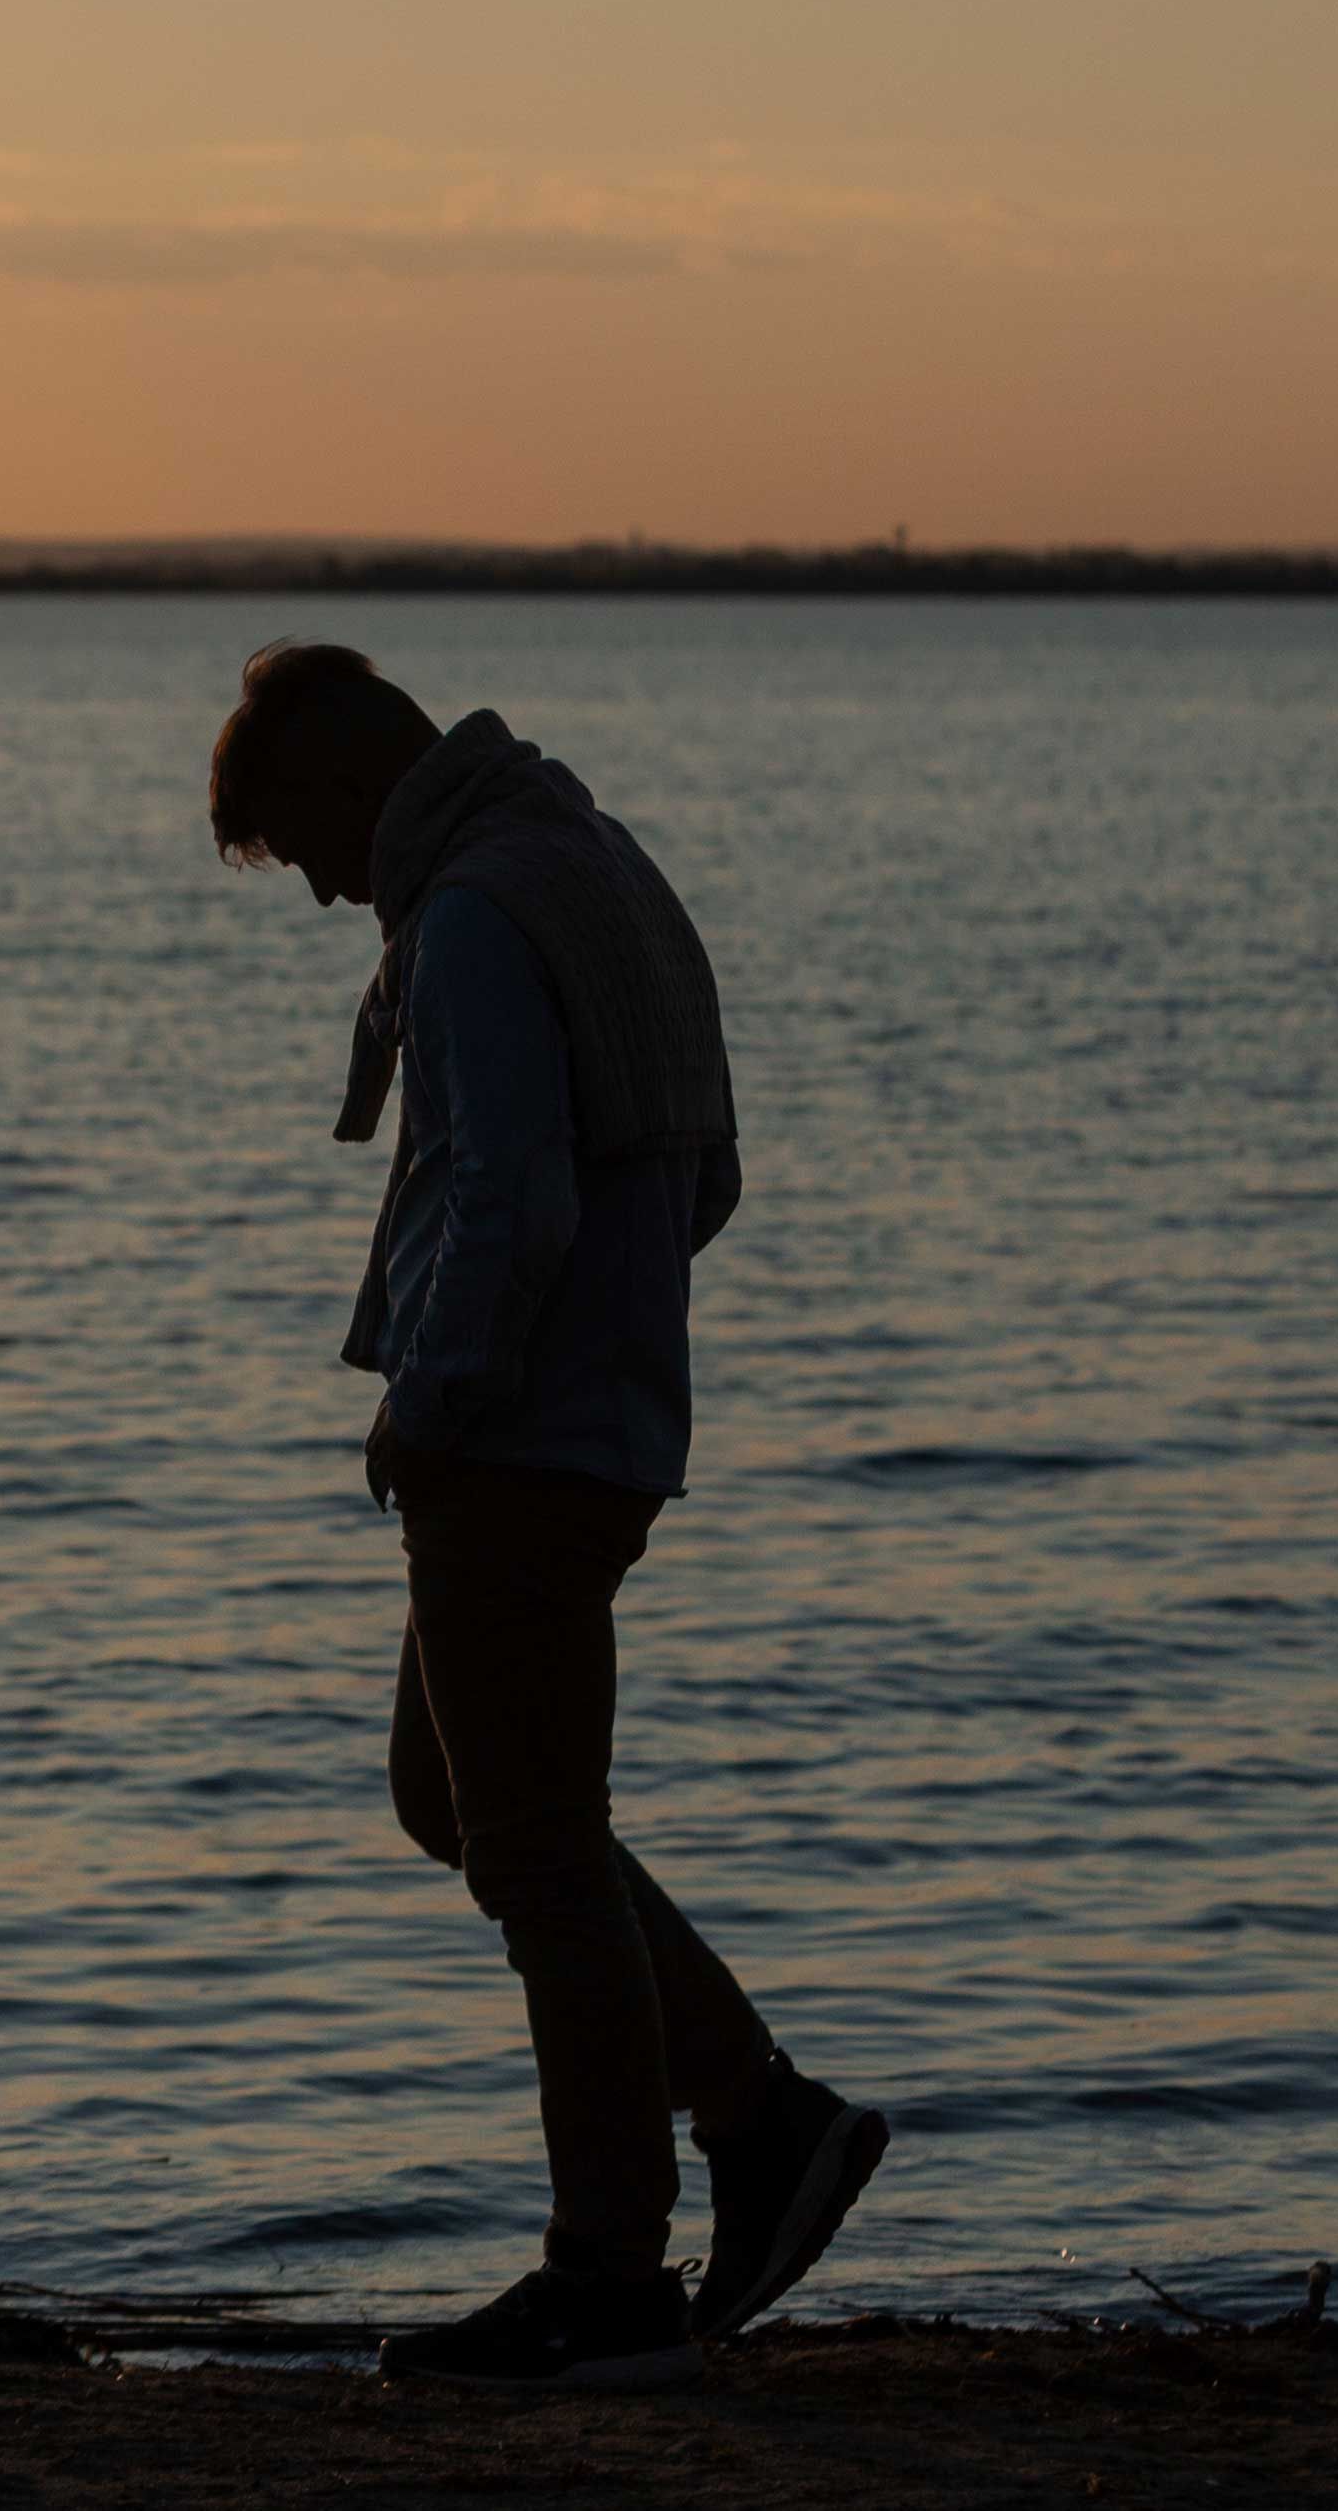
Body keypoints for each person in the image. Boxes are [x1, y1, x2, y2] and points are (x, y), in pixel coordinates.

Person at [206, 639, 888, 2391]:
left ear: (351, 781)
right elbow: (703, 1170)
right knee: (458, 1794)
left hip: (513, 1437)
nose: (323, 889)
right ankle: (761, 2115)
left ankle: (613, 2265)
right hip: (606, 1418)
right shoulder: (589, 859)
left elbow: (504, 1187)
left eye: (303, 845)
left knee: (532, 1844)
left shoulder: (472, 916)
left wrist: (432, 1399)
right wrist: (609, 1332)